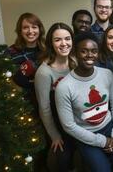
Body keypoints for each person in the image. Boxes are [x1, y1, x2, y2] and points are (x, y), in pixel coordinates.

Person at [55, 31, 113, 172]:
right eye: (84, 51)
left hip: (110, 128)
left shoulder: (107, 74)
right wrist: (102, 142)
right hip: (86, 134)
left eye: (94, 51)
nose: (90, 55)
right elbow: (68, 126)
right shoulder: (64, 87)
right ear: (75, 53)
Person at [5, 12, 47, 171]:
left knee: (47, 142)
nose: (30, 31)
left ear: (40, 29)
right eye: (25, 27)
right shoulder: (10, 53)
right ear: (20, 30)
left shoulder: (47, 50)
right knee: (28, 144)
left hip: (44, 103)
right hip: (23, 106)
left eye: (34, 27)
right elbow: (5, 81)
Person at [34, 23, 76, 171]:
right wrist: (55, 135)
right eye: (58, 40)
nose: (64, 43)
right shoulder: (44, 72)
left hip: (77, 122)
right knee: (62, 161)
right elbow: (44, 108)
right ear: (51, 43)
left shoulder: (75, 62)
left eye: (67, 38)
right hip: (58, 125)